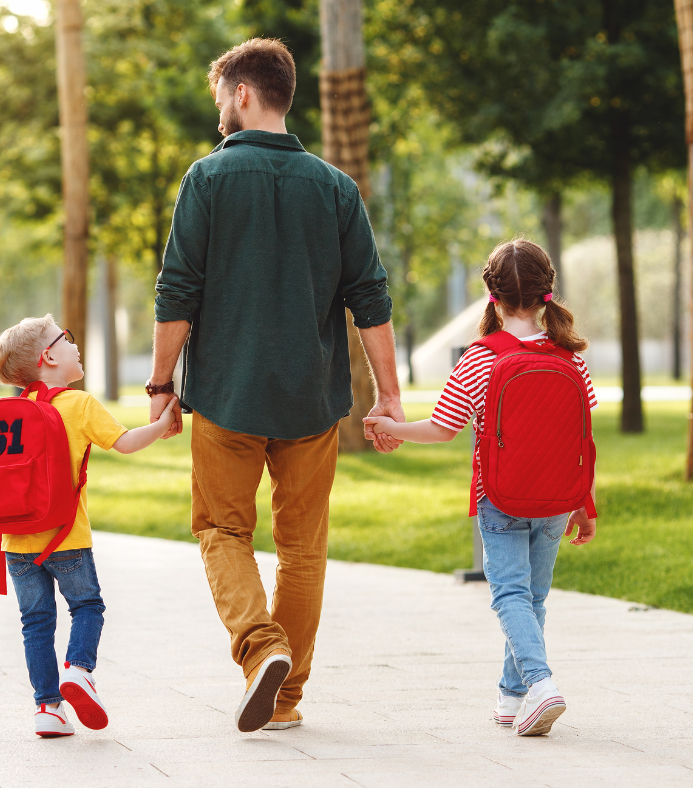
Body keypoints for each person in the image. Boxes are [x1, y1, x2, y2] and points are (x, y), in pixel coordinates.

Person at [147, 38, 404, 733]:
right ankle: (285, 699)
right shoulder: (335, 186)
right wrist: (390, 395)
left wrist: (160, 382)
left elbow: (178, 291)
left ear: (242, 94)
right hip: (310, 401)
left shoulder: (206, 178)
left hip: (227, 397)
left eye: (220, 98)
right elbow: (370, 296)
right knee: (302, 551)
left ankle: (262, 648)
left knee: (221, 529)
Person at [365, 239, 598, 737]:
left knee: (510, 593)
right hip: (558, 498)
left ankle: (539, 683)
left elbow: (442, 429)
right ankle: (512, 697)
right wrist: (584, 503)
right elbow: (581, 438)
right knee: (532, 596)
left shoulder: (481, 358)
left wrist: (388, 428)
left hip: (502, 497)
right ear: (547, 293)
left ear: (491, 295)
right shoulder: (570, 356)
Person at [0, 314, 178, 738]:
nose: (75, 344)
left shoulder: (10, 412)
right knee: (87, 607)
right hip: (65, 536)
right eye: (67, 338)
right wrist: (165, 422)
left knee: (35, 623)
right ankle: (79, 669)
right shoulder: (79, 404)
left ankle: (47, 708)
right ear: (49, 356)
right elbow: (126, 442)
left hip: (15, 544)